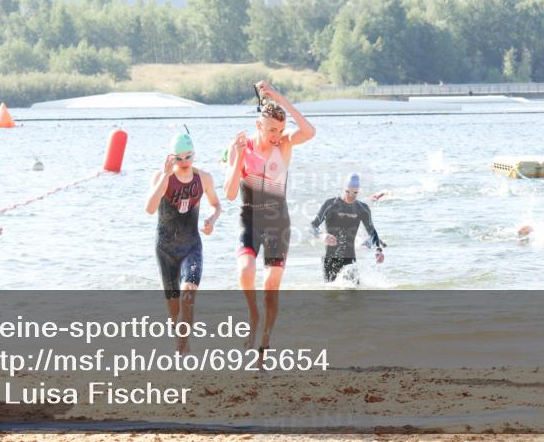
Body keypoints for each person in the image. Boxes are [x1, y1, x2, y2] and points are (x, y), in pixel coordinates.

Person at [224, 81, 315, 354]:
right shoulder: (240, 146)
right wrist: (239, 157)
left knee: (270, 285)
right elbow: (229, 193)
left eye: (281, 129)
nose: (277, 135)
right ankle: (253, 315)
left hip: (277, 222)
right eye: (272, 130)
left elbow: (309, 131)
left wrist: (279, 97)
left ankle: (264, 340)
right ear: (258, 125)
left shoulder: (285, 145)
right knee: (245, 271)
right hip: (249, 219)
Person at [145, 133, 221, 353]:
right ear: (171, 157)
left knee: (188, 294)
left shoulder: (204, 178)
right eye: (179, 158)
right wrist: (165, 176)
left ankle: (180, 353)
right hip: (165, 248)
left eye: (189, 156)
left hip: (191, 246)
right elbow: (149, 209)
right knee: (173, 309)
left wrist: (211, 220)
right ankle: (182, 348)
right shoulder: (161, 176)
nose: (185, 161)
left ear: (194, 154)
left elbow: (217, 205)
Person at [311, 174, 385, 284]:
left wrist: (379, 250)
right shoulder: (330, 204)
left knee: (355, 298)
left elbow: (372, 232)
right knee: (332, 298)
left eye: (355, 192)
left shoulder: (362, 209)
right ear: (343, 188)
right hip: (331, 261)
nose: (351, 196)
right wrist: (322, 236)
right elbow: (313, 226)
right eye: (348, 191)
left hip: (350, 261)